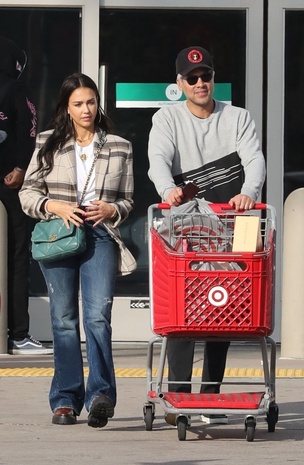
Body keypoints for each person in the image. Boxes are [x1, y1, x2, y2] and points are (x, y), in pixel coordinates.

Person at [148, 46, 266, 425]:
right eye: (193, 78)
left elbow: (254, 159)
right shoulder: (167, 119)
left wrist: (249, 191)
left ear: (214, 78)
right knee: (184, 308)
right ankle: (180, 393)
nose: (201, 83)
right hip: (189, 223)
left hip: (235, 222)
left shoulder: (237, 117)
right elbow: (159, 161)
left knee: (225, 306)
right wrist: (168, 191)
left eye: (207, 76)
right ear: (180, 83)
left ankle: (211, 394)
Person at [19, 72, 136, 427]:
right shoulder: (47, 142)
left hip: (100, 234)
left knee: (97, 316)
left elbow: (129, 200)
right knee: (64, 320)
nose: (86, 109)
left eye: (91, 102)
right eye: (78, 104)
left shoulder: (120, 146)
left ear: (98, 104)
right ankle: (66, 399)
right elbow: (27, 193)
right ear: (67, 108)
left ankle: (101, 394)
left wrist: (112, 209)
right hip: (60, 234)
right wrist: (54, 206)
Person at [0, 36, 53, 355]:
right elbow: (30, 130)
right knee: (17, 257)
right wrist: (20, 166)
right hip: (9, 186)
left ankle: (17, 333)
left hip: (9, 183)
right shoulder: (16, 89)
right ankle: (18, 334)